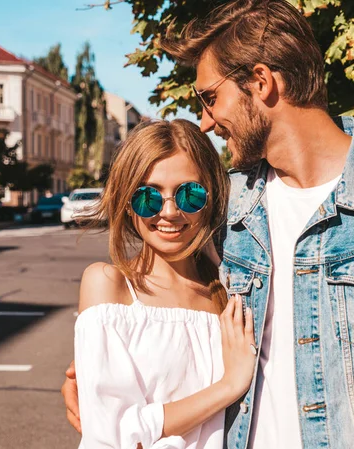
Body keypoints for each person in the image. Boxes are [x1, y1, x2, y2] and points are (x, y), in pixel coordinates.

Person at [63, 1, 354, 448]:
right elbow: (163, 310)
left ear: (261, 82)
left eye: (210, 97)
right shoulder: (225, 207)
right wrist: (100, 381)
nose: (206, 121)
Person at [72, 119, 256, 448]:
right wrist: (229, 386)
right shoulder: (109, 285)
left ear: (210, 199)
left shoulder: (231, 290)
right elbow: (115, 432)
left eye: (190, 194)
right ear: (127, 203)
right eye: (148, 197)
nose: (169, 211)